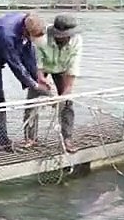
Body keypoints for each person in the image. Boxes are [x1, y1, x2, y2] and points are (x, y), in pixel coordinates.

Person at [0, 12, 51, 155]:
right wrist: (34, 85)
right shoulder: (6, 33)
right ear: (26, 31)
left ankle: (0, 140)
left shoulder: (25, 25)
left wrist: (38, 77)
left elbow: (28, 54)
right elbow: (15, 63)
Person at [23, 15, 83, 152]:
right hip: (43, 67)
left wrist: (67, 90)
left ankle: (67, 138)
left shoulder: (76, 40)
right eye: (61, 35)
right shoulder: (41, 37)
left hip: (62, 68)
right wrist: (40, 79)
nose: (64, 37)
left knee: (67, 102)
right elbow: (37, 60)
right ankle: (30, 138)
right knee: (33, 100)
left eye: (67, 35)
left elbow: (74, 65)